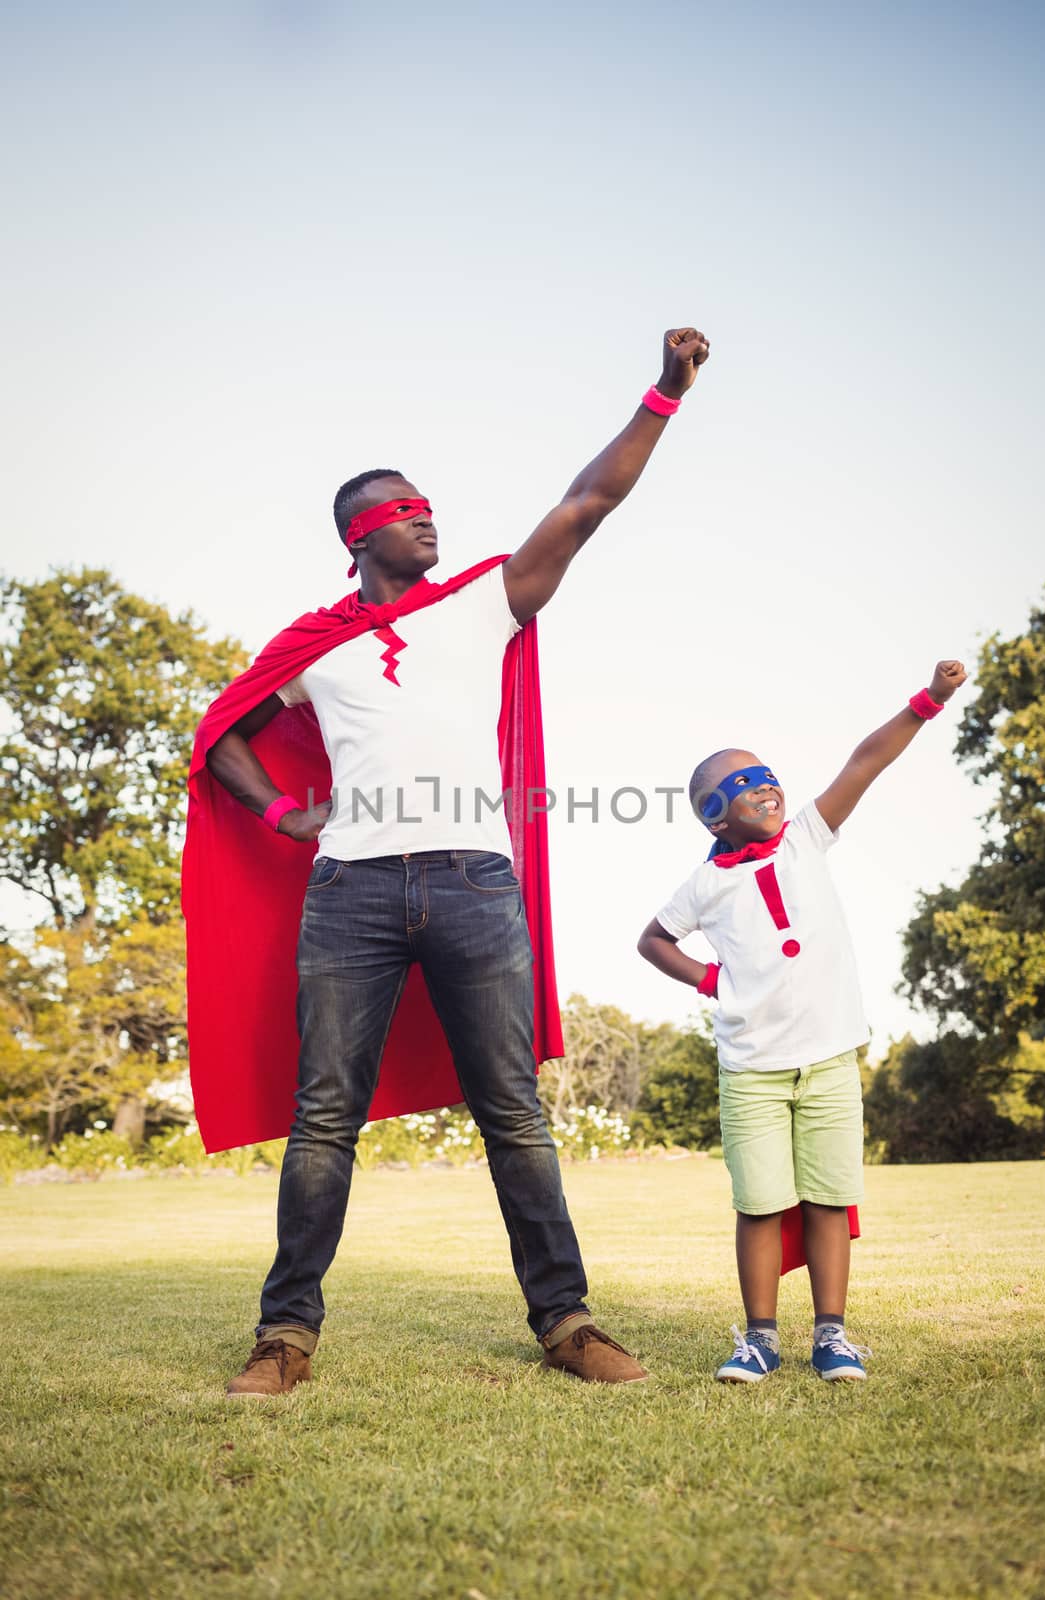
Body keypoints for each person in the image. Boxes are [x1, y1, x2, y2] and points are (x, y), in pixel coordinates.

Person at [196, 326, 709, 1397]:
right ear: (356, 535)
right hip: (351, 891)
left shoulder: (482, 598)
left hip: (475, 882)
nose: (426, 515)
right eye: (400, 507)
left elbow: (584, 504)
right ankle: (285, 1335)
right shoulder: (311, 645)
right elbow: (224, 734)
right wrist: (288, 815)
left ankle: (565, 1321)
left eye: (427, 503)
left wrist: (661, 396)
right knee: (323, 1112)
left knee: (512, 1109)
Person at [636, 659, 967, 1382]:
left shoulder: (807, 835)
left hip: (827, 1059)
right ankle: (758, 1337)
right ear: (712, 816)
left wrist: (928, 701)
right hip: (751, 1067)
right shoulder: (704, 882)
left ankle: (831, 1335)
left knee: (826, 1196)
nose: (765, 787)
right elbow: (652, 940)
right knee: (759, 1203)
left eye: (767, 775)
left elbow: (864, 762)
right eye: (742, 785)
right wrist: (709, 978)